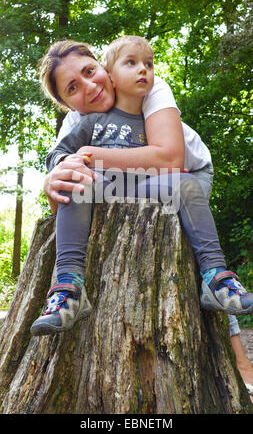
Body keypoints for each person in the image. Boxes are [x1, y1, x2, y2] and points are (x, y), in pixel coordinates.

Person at [30, 36, 253, 399]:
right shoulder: (80, 119)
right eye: (73, 87)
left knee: (190, 240)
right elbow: (61, 161)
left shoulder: (143, 81)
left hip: (182, 174)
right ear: (65, 102)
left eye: (90, 71)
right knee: (78, 185)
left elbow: (171, 161)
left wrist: (89, 155)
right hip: (124, 182)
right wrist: (54, 177)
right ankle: (68, 288)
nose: (88, 86)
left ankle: (222, 301)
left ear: (103, 66)